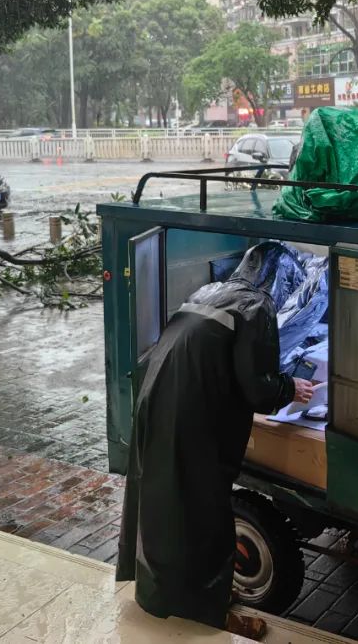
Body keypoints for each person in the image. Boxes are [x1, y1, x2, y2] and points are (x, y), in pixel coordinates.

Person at [116, 243, 314, 637]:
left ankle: (161, 594)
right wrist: (292, 388)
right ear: (278, 279)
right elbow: (257, 390)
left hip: (157, 402)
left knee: (164, 506)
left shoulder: (209, 292)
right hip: (193, 419)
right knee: (205, 514)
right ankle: (209, 611)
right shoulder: (257, 305)